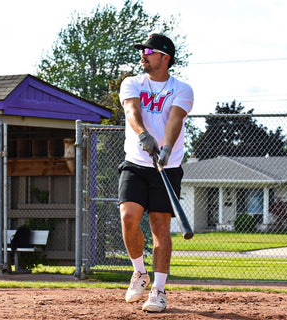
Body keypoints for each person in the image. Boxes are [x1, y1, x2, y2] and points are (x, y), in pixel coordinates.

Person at [118, 33, 194, 312]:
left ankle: (159, 291)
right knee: (128, 218)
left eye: (149, 51)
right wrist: (143, 135)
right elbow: (131, 110)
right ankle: (139, 272)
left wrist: (166, 148)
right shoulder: (132, 82)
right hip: (137, 162)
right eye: (143, 51)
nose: (144, 55)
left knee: (160, 227)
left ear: (165, 57)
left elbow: (174, 119)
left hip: (167, 165)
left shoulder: (182, 89)